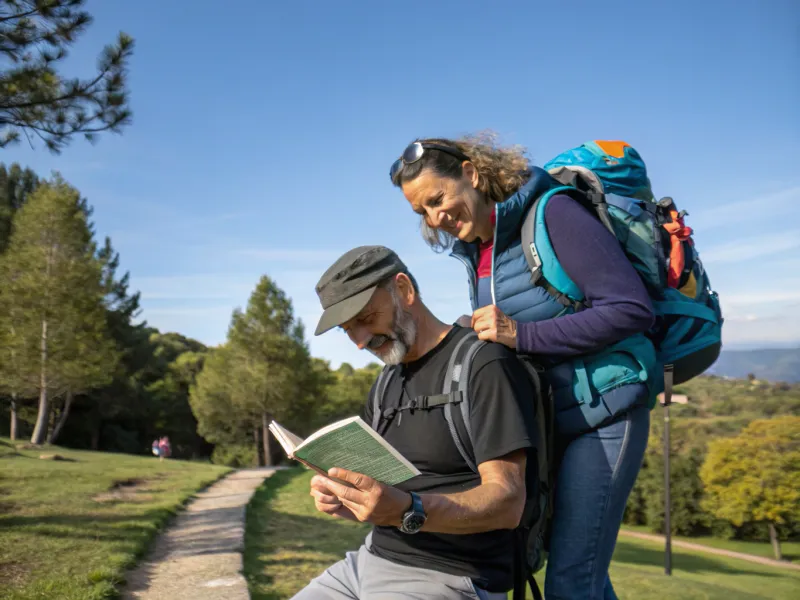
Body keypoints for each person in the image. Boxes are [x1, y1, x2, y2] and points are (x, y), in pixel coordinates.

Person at [389, 134, 655, 600]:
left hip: (605, 412)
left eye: (438, 199)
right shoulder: (480, 249)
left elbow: (631, 309)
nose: (436, 219)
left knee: (572, 580)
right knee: (580, 568)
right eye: (422, 213)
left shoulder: (554, 213)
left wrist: (521, 335)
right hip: (552, 419)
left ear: (471, 174)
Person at [292, 244, 541, 600]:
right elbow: (384, 498)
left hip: (449, 575)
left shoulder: (483, 364)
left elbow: (508, 502)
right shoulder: (386, 382)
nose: (360, 342)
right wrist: (348, 501)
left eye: (365, 318)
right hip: (366, 562)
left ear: (404, 290)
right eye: (347, 330)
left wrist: (411, 510)